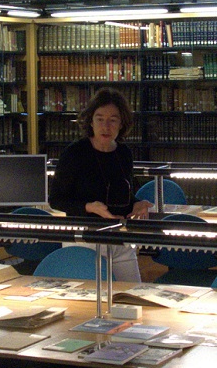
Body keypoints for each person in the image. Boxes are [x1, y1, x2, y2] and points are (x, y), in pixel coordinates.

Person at [49, 87, 152, 282]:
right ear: (90, 121)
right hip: (84, 239)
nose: (106, 126)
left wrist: (136, 204)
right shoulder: (75, 153)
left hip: (119, 237)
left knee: (133, 296)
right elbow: (56, 200)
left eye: (113, 120)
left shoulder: (124, 153)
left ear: (122, 124)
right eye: (100, 118)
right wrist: (90, 207)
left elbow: (122, 197)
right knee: (86, 304)